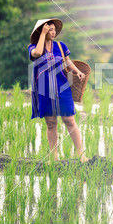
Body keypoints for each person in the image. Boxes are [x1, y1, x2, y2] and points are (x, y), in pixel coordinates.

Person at [28, 18, 89, 163]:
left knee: (69, 119)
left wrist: (78, 71)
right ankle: (54, 157)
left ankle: (81, 154)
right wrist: (42, 34)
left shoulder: (60, 46)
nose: (53, 32)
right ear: (42, 31)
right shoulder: (33, 47)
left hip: (62, 87)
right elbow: (36, 54)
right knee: (51, 123)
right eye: (50, 29)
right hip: (44, 90)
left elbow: (68, 62)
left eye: (54, 30)